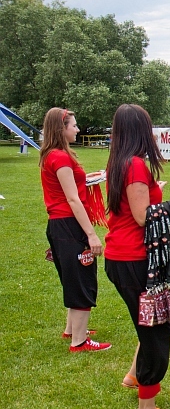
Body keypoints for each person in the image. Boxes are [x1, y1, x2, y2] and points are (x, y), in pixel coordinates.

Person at [104, 104, 170, 409]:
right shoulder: (133, 165)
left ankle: (135, 376)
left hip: (127, 257)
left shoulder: (122, 162)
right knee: (155, 333)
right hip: (134, 260)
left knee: (150, 322)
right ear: (140, 131)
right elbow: (143, 216)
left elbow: (146, 207)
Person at [39, 108, 111, 352]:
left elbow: (68, 186)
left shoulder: (52, 155)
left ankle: (72, 329)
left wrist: (88, 178)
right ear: (62, 128)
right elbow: (72, 199)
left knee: (72, 277)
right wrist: (91, 234)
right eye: (74, 125)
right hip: (69, 224)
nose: (78, 130)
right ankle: (79, 342)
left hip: (59, 225)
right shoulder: (59, 157)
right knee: (82, 277)